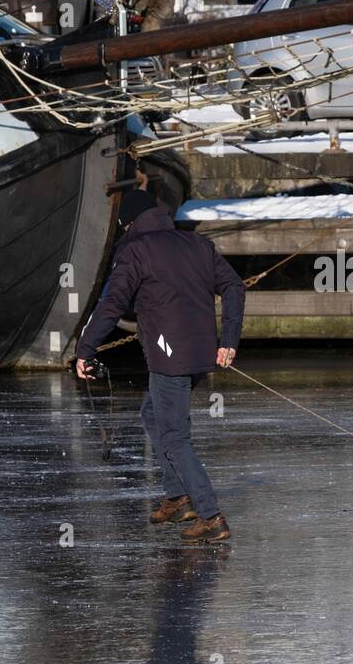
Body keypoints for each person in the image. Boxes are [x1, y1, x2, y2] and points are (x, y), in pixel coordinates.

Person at [75, 199, 245, 544]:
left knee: (174, 437)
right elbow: (234, 286)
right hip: (201, 354)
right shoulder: (197, 243)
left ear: (130, 225)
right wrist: (228, 340)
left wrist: (85, 349)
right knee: (152, 414)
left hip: (170, 357)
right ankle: (177, 497)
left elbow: (113, 303)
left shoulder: (136, 249)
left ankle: (211, 516)